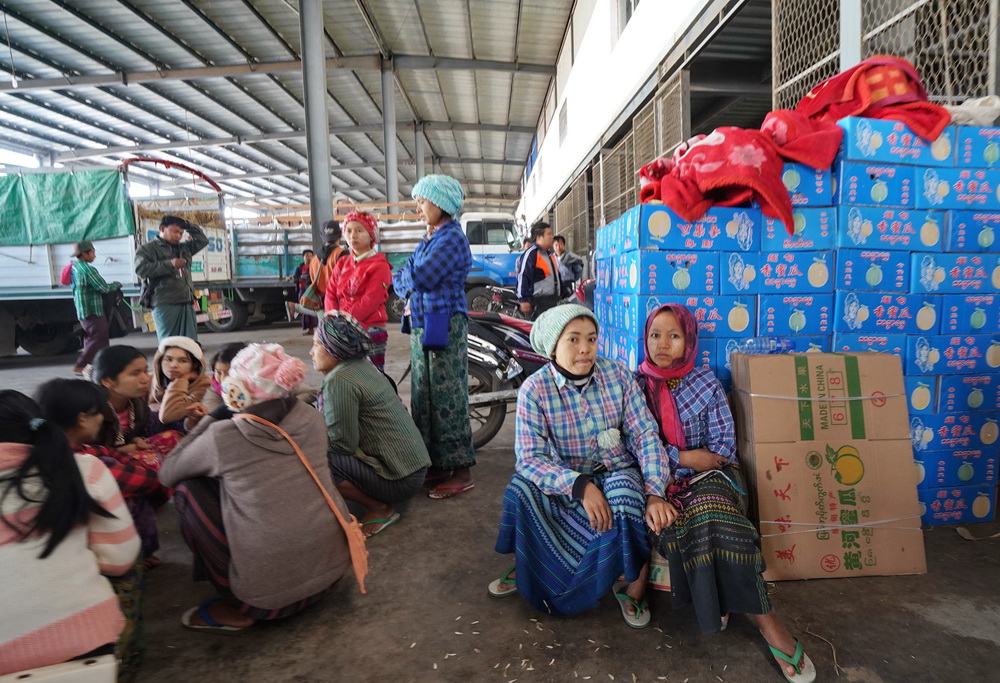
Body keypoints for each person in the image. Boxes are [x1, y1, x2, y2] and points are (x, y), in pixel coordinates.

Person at [636, 304, 816, 683]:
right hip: (657, 482)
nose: (663, 344)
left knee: (718, 515)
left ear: (689, 341)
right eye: (655, 335)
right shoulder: (633, 387)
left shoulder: (706, 382)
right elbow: (632, 446)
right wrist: (684, 457)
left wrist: (687, 461)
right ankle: (726, 603)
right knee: (682, 518)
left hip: (714, 478)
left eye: (674, 335)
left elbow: (721, 451)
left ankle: (767, 622)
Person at [490, 304, 678, 626]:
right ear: (553, 346)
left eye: (591, 339)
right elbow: (530, 458)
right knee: (519, 490)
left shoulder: (617, 375)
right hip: (568, 479)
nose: (585, 349)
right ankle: (528, 564)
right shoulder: (534, 390)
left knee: (625, 499)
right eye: (573, 340)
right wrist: (579, 485)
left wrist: (655, 490)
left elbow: (645, 434)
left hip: (616, 471)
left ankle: (635, 585)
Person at [159, 343, 359, 633]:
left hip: (264, 602)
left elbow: (168, 473)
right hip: (332, 577)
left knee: (188, 490)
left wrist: (212, 418)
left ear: (235, 391)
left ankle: (233, 606)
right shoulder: (311, 418)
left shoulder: (223, 436)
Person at [0, 390, 140, 675]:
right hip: (88, 640)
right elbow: (119, 559)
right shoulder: (84, 468)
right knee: (133, 560)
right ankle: (129, 659)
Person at [392, 174, 477, 500]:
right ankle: (438, 462)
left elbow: (421, 277)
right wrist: (406, 277)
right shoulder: (431, 238)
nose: (419, 207)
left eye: (422, 201)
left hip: (441, 321)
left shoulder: (451, 239)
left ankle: (462, 468)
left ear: (441, 204)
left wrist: (406, 277)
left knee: (446, 395)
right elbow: (402, 277)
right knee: (424, 393)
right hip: (424, 322)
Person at [311, 315, 430, 537]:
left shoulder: (339, 380)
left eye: (317, 344)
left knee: (314, 458)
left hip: (402, 479)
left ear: (333, 349)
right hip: (415, 468)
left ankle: (380, 508)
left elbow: (342, 444)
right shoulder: (362, 364)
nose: (311, 352)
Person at [36, 378, 168, 566]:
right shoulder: (86, 465)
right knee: (135, 497)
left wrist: (122, 456)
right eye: (98, 413)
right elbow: (147, 480)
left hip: (50, 543)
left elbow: (105, 451)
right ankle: (139, 557)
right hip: (93, 557)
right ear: (82, 419)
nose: (101, 419)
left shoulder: (47, 447)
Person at [92, 345, 183, 470]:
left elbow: (138, 433)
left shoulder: (137, 405)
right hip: (102, 463)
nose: (145, 379)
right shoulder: (92, 411)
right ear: (107, 381)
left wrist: (136, 440)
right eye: (135, 374)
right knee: (156, 463)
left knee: (174, 437)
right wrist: (119, 452)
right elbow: (82, 452)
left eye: (145, 371)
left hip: (128, 453)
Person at [323, 211, 393, 371]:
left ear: (371, 236)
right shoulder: (342, 263)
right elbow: (331, 293)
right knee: (345, 377)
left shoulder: (380, 265)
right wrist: (333, 320)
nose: (353, 235)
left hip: (370, 329)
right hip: (341, 327)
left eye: (359, 230)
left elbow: (370, 301)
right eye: (349, 230)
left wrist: (345, 323)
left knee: (372, 377)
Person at [134, 215, 209, 342]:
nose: (179, 236)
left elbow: (202, 240)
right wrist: (170, 265)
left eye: (181, 233)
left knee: (190, 343)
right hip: (164, 302)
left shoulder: (183, 248)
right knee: (168, 342)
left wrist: (188, 225)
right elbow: (141, 270)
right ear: (162, 229)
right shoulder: (148, 249)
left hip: (185, 300)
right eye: (175, 232)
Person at [69, 240, 122, 376]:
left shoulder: (75, 267)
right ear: (84, 254)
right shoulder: (88, 270)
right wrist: (116, 285)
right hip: (93, 310)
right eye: (92, 252)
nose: (94, 256)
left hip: (83, 309)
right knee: (98, 339)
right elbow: (103, 287)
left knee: (91, 338)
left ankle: (97, 365)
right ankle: (80, 366)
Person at [148, 336, 211, 431]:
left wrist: (182, 380)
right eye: (168, 359)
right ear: (159, 361)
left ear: (194, 365)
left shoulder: (203, 384)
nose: (173, 365)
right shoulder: (151, 379)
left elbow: (168, 415)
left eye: (183, 361)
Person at [515, 221, 562, 319]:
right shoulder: (531, 254)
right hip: (539, 304)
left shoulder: (549, 255)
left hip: (552, 301)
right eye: (549, 234)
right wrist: (523, 300)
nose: (552, 237)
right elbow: (523, 276)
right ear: (539, 237)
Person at [300, 219, 347, 311]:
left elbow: (309, 282)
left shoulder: (314, 260)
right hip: (340, 304)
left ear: (321, 236)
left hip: (323, 304)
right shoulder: (343, 254)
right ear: (340, 235)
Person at [202, 341, 249, 413]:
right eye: (218, 372)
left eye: (229, 372)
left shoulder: (260, 391)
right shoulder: (215, 387)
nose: (223, 378)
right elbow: (210, 410)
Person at [292, 249, 317, 335]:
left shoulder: (315, 267)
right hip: (302, 291)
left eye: (310, 256)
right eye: (306, 256)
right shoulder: (299, 267)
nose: (308, 258)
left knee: (312, 310)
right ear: (303, 257)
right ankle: (310, 329)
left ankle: (313, 329)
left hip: (311, 292)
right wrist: (300, 279)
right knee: (304, 310)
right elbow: (295, 278)